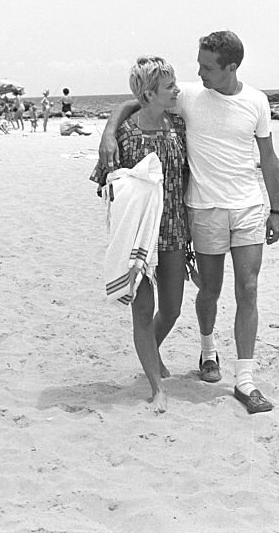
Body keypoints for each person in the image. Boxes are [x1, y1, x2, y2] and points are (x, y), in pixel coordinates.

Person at [100, 31, 279, 414]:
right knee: (209, 290)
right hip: (191, 215)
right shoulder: (188, 96)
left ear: (231, 67)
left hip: (230, 211)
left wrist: (276, 209)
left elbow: (267, 157)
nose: (198, 73)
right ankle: (198, 356)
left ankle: (244, 379)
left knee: (243, 289)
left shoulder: (254, 102)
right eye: (198, 65)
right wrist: (107, 132)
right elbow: (135, 101)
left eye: (207, 66)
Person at [90, 56, 190, 413]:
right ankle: (155, 386)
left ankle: (152, 352)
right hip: (138, 237)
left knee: (174, 308)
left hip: (175, 229)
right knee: (143, 311)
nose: (177, 89)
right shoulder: (124, 135)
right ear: (149, 94)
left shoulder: (178, 124)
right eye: (169, 86)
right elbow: (107, 185)